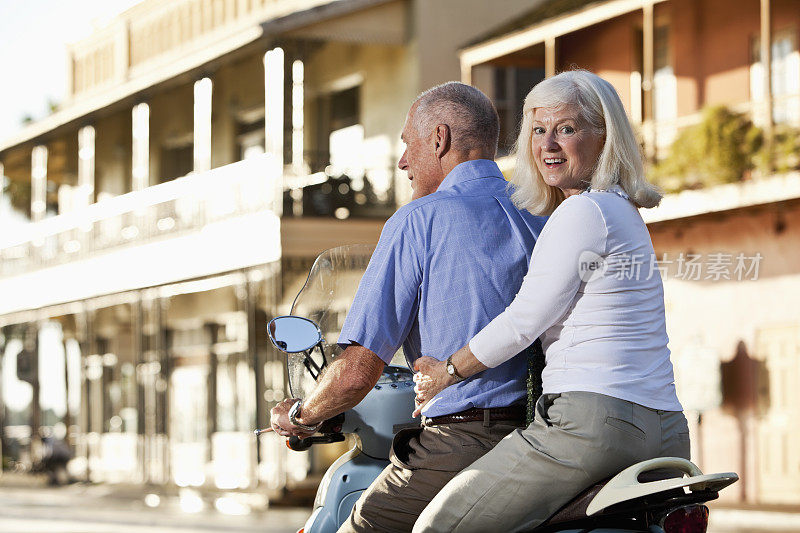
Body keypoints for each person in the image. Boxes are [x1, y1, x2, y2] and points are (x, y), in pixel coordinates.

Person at [411, 70, 690, 533]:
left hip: (593, 425)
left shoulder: (584, 210)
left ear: (604, 137)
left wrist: (447, 371)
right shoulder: (623, 212)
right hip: (665, 428)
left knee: (438, 525)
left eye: (567, 129)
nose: (548, 145)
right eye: (539, 130)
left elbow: (523, 321)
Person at [269, 81, 547, 532]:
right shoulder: (541, 213)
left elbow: (360, 369)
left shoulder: (419, 220)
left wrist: (301, 415)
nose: (402, 162)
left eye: (407, 145)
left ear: (439, 139)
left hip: (464, 438)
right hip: (542, 435)